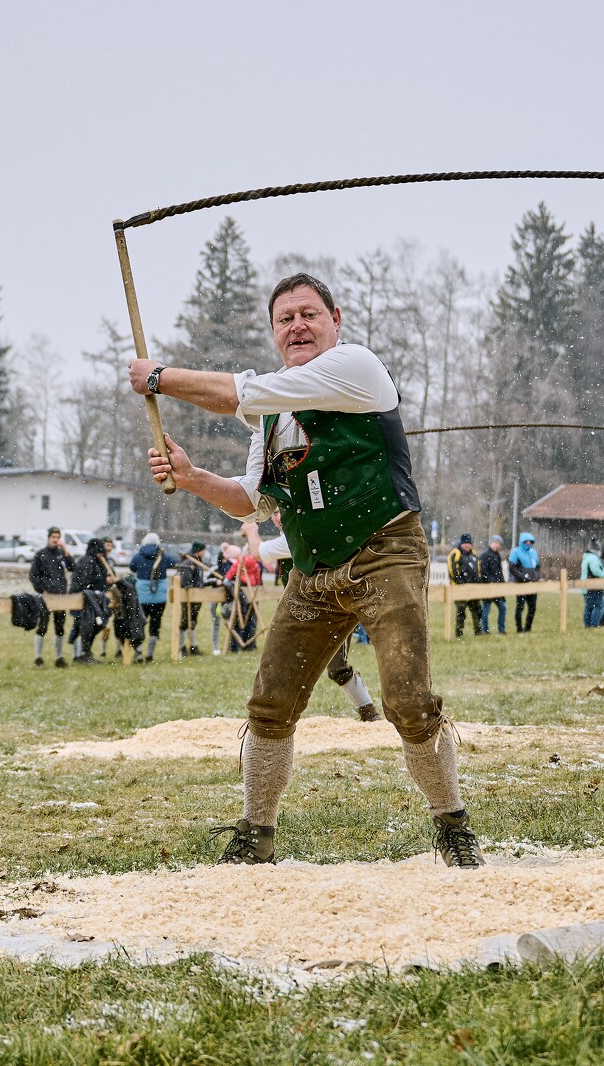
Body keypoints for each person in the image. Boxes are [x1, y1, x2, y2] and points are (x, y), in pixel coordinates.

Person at [131, 270, 481, 868]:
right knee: (270, 703)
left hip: (383, 551)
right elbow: (254, 500)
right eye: (284, 319)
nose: (297, 325)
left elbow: (239, 394)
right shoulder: (273, 418)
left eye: (308, 314)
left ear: (334, 321)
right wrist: (191, 478)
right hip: (313, 569)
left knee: (407, 700)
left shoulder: (357, 367)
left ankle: (452, 825)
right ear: (273, 333)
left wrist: (160, 378)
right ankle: (255, 835)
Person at [251, 524, 379, 721]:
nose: (277, 518)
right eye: (274, 514)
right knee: (281, 663)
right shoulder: (288, 537)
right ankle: (274, 717)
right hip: (301, 610)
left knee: (337, 669)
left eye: (279, 512)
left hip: (329, 610)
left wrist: (251, 529)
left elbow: (257, 552)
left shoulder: (297, 535)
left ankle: (368, 712)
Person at [27, 527, 74, 667]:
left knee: (60, 627)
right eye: (53, 537)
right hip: (46, 596)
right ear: (48, 538)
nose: (55, 540)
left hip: (60, 596)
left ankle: (59, 657)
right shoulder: (41, 555)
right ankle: (38, 657)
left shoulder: (61, 554)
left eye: (57, 537)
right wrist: (42, 590)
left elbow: (73, 567)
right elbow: (33, 575)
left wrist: (66, 553)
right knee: (43, 626)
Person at [129, 531, 178, 661]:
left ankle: (138, 653)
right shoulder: (163, 556)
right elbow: (174, 562)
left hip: (142, 596)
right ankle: (150, 654)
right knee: (155, 625)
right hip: (159, 597)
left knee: (140, 623)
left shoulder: (138, 556)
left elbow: (132, 568)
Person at [67, 538, 113, 663]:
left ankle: (84, 654)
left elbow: (100, 579)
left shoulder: (97, 561)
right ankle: (79, 655)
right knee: (80, 627)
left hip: (90, 601)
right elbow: (85, 582)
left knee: (87, 627)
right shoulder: (87, 562)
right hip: (81, 600)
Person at [175, 541, 215, 656]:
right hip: (188, 596)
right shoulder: (188, 562)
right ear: (200, 550)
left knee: (192, 621)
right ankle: (181, 647)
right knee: (185, 621)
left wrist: (202, 585)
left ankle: (193, 646)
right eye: (203, 550)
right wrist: (191, 587)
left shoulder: (198, 562)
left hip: (197, 597)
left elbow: (198, 579)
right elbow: (185, 580)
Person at [447, 534, 483, 638]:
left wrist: (478, 582)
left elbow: (478, 570)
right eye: (465, 543)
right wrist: (460, 583)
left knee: (477, 610)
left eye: (469, 543)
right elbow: (452, 570)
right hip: (459, 589)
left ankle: (478, 632)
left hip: (473, 589)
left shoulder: (474, 554)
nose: (467, 546)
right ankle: (459, 634)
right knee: (461, 611)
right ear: (461, 543)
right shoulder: (455, 553)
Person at [508, 532, 541, 633]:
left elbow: (538, 566)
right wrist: (522, 578)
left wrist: (537, 576)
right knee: (520, 606)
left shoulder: (533, 552)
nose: (528, 543)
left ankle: (528, 628)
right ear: (522, 542)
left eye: (530, 542)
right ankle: (519, 628)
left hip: (532, 584)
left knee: (532, 607)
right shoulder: (516, 552)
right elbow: (512, 567)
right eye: (526, 542)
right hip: (521, 584)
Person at [478, 534, 507, 635]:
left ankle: (501, 629)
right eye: (495, 543)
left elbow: (499, 571)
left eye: (499, 544)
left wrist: (502, 582)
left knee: (503, 607)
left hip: (498, 587)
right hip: (488, 587)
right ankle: (485, 630)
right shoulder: (484, 555)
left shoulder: (498, 555)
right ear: (491, 543)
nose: (497, 545)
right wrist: (491, 582)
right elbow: (483, 572)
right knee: (486, 608)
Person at [580, 538, 604, 627]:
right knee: (598, 605)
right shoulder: (593, 559)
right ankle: (593, 624)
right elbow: (596, 571)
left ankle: (587, 625)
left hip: (587, 586)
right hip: (594, 586)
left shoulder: (587, 557)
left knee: (589, 606)